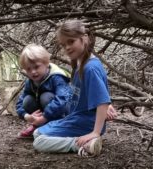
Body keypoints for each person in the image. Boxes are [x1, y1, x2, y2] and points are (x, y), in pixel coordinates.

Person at [33, 19, 113, 157]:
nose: (67, 48)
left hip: (86, 123)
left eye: (71, 41)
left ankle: (82, 145)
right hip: (77, 118)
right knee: (36, 132)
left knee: (39, 141)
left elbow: (102, 102)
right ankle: (86, 139)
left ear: (84, 39)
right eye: (63, 45)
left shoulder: (90, 68)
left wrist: (95, 132)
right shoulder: (79, 65)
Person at [16, 44, 72, 138]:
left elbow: (62, 99)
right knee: (28, 100)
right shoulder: (30, 81)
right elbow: (20, 103)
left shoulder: (56, 77)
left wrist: (44, 117)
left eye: (36, 67)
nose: (33, 72)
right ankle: (38, 125)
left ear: (46, 63)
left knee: (45, 97)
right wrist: (27, 116)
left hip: (65, 112)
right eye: (29, 69)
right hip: (46, 114)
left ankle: (58, 127)